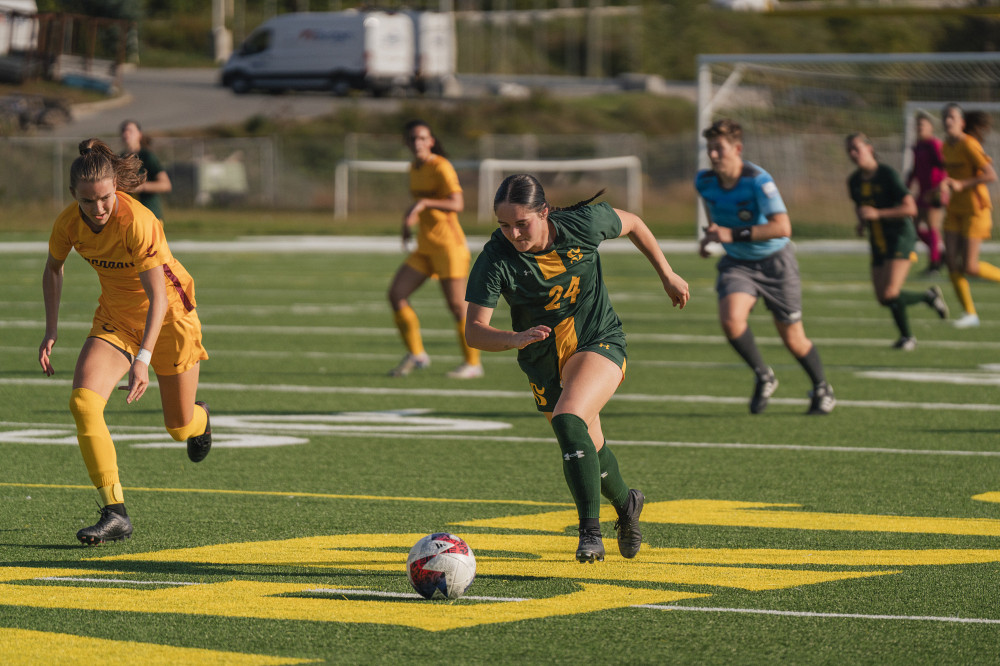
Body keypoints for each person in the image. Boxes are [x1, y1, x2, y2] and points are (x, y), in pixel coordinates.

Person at [464, 173, 690, 563]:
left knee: (570, 421)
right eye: (504, 225)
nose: (514, 233)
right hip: (542, 359)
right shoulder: (495, 257)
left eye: (522, 223)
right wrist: (512, 338)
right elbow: (474, 332)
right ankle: (627, 506)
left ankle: (589, 533)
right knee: (589, 448)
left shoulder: (582, 225)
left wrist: (666, 273)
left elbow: (633, 222)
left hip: (597, 340)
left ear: (545, 213)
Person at [39, 138, 211, 546]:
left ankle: (202, 420)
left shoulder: (138, 221)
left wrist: (143, 359)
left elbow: (156, 297)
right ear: (73, 196)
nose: (97, 210)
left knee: (178, 427)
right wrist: (51, 329)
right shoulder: (68, 223)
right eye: (87, 201)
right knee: (83, 403)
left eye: (105, 198)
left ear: (116, 187)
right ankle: (114, 512)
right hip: (116, 319)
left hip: (169, 319)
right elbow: (53, 269)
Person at [696, 118, 835, 415]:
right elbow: (714, 213)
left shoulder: (758, 181)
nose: (713, 155)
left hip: (775, 263)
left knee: (793, 339)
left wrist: (731, 234)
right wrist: (710, 235)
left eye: (719, 148)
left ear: (737, 148)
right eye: (709, 148)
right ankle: (764, 375)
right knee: (731, 319)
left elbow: (783, 227)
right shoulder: (705, 181)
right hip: (737, 263)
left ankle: (822, 387)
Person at [387, 120, 483, 379]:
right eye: (413, 139)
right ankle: (417, 354)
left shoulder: (441, 166)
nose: (418, 143)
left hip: (448, 246)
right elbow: (423, 207)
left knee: (456, 306)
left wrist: (421, 205)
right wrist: (409, 223)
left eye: (422, 138)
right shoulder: (413, 168)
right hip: (425, 246)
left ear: (430, 141)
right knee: (396, 294)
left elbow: (457, 203)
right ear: (408, 143)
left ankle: (473, 363)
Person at [846, 133, 950, 350]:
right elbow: (861, 206)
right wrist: (862, 223)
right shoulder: (854, 181)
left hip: (900, 237)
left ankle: (908, 338)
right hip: (878, 240)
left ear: (870, 148)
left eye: (857, 148)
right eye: (849, 150)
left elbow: (910, 208)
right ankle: (928, 297)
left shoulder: (887, 175)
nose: (853, 154)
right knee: (883, 298)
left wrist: (878, 214)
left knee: (890, 292)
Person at [939, 103, 999, 328]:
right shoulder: (946, 146)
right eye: (945, 116)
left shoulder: (969, 145)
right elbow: (952, 177)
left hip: (976, 210)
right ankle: (970, 313)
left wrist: (962, 184)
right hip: (955, 209)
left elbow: (990, 175)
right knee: (951, 261)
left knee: (970, 267)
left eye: (952, 117)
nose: (947, 120)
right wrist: (942, 188)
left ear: (962, 122)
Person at [905, 112, 946, 275]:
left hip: (935, 192)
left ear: (930, 127)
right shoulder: (917, 146)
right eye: (917, 125)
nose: (919, 128)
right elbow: (915, 170)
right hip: (922, 193)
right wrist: (906, 187)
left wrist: (939, 189)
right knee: (913, 228)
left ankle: (934, 264)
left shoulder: (934, 144)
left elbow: (943, 167)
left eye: (922, 125)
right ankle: (940, 251)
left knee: (932, 226)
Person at [120, 119, 172, 221]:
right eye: (123, 131)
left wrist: (140, 187)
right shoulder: (120, 158)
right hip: (129, 218)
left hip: (150, 216)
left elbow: (166, 185)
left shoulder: (147, 156)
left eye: (130, 131)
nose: (126, 133)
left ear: (139, 134)